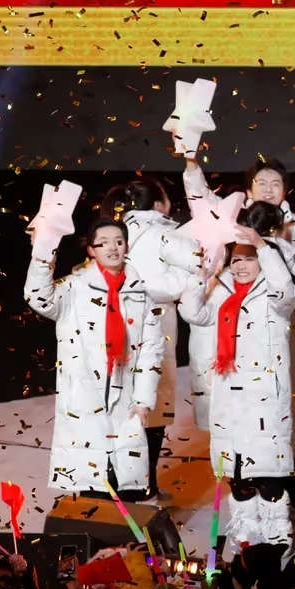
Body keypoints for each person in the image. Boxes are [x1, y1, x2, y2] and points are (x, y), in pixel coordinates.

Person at [177, 227, 295, 549]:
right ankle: (245, 527)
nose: (241, 266)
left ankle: (277, 530)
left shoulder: (274, 294)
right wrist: (202, 276)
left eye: (249, 258)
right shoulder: (220, 290)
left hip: (265, 395)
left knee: (269, 467)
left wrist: (263, 245)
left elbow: (287, 290)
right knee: (237, 465)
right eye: (235, 260)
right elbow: (191, 312)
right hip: (229, 392)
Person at [26, 216, 164, 497]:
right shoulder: (74, 288)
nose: (112, 248)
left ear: (127, 246)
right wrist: (42, 256)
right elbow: (38, 297)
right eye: (103, 243)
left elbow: (152, 349)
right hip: (84, 397)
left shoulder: (140, 292)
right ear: (91, 250)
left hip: (126, 399)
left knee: (127, 487)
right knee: (93, 489)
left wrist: (143, 401)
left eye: (119, 241)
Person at [108, 178, 192, 500]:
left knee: (122, 405)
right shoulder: (167, 236)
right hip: (155, 328)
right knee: (152, 408)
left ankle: (119, 483)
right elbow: (181, 281)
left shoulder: (117, 234)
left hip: (117, 328)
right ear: (158, 205)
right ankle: (144, 488)